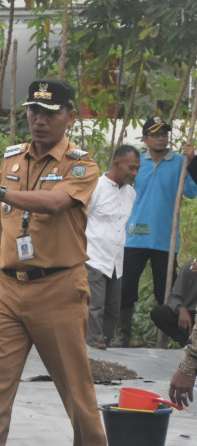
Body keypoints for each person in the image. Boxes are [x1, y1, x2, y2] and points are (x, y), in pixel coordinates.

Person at [0, 78, 108, 446]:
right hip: (8, 289)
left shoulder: (81, 163)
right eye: (34, 111)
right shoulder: (12, 159)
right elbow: (0, 226)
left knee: (74, 383)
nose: (39, 120)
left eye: (50, 113)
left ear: (70, 117)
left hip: (58, 288)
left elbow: (56, 203)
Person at [117, 116, 197, 347]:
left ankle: (168, 340)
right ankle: (122, 338)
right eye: (155, 134)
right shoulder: (137, 163)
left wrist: (192, 161)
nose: (161, 138)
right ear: (144, 139)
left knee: (167, 292)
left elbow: (191, 193)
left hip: (165, 239)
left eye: (164, 134)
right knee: (126, 287)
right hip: (134, 236)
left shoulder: (181, 162)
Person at [84, 145, 140, 349]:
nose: (134, 173)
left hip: (116, 260)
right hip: (94, 257)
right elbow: (81, 221)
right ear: (116, 164)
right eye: (131, 168)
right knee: (94, 306)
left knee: (113, 309)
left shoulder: (131, 194)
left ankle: (103, 349)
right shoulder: (96, 187)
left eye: (137, 169)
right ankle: (90, 346)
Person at [149, 259, 197, 346]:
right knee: (158, 312)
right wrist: (180, 309)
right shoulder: (190, 268)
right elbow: (174, 296)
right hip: (189, 315)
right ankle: (186, 341)